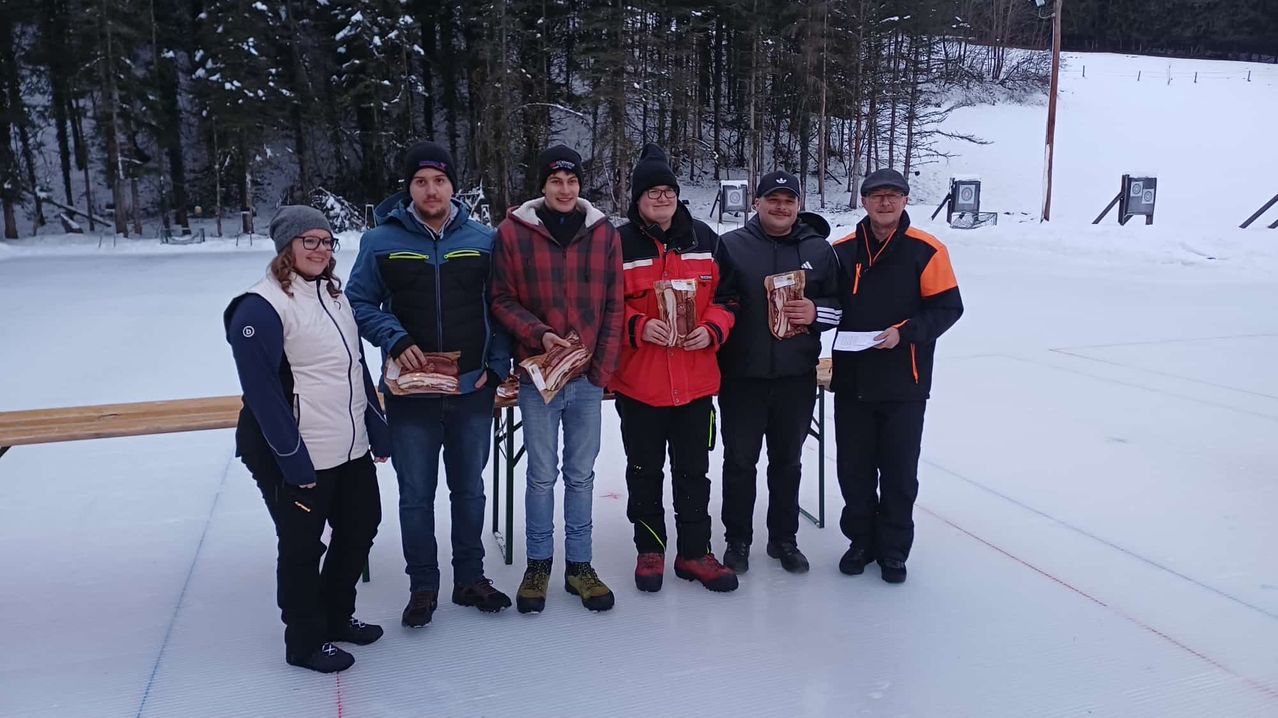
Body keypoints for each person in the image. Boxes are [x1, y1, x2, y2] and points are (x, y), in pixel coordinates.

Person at [346, 141, 513, 628]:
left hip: (470, 390)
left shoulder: (484, 238)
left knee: (469, 490)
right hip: (411, 393)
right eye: (421, 181)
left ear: (453, 186)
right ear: (409, 188)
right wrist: (393, 338)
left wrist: (497, 366)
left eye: (439, 180)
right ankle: (423, 585)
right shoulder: (380, 241)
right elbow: (358, 304)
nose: (431, 189)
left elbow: (500, 306)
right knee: (416, 494)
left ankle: (470, 578)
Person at [224, 205, 391, 674]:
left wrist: (376, 427)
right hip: (295, 451)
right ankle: (303, 639)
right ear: (287, 247)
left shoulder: (332, 295)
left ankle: (337, 616)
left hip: (349, 442)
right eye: (309, 241)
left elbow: (355, 366)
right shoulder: (261, 306)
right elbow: (262, 396)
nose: (320, 249)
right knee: (301, 546)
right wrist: (293, 462)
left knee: (361, 526)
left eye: (326, 241)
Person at [490, 144, 623, 613]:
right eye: (555, 181)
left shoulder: (603, 233)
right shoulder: (514, 233)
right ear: (542, 185)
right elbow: (501, 299)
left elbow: (614, 304)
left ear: (580, 185)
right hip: (538, 375)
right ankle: (539, 563)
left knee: (581, 476)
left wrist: (603, 368)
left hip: (586, 378)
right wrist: (539, 334)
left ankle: (580, 566)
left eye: (571, 181)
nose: (564, 190)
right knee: (542, 475)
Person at [611, 144, 738, 593]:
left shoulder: (706, 240)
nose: (661, 198)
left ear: (677, 195)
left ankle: (694, 552)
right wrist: (638, 326)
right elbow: (602, 308)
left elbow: (729, 300)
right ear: (637, 198)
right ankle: (650, 549)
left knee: (694, 471)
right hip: (640, 384)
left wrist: (714, 329)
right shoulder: (617, 244)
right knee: (643, 471)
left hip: (696, 384)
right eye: (652, 192)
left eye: (668, 190)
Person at [830, 168, 963, 584]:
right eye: (876, 196)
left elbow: (946, 309)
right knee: (854, 468)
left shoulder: (927, 249)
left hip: (904, 380)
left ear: (905, 201)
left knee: (899, 471)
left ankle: (893, 549)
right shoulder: (841, 250)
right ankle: (860, 541)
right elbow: (826, 306)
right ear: (864, 201)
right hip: (852, 379)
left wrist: (904, 335)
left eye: (894, 196)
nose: (885, 203)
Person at [714, 170, 842, 574]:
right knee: (739, 461)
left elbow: (840, 306)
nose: (781, 206)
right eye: (773, 199)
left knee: (787, 462)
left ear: (798, 206)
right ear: (756, 203)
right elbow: (717, 302)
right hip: (742, 376)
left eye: (789, 200)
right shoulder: (731, 246)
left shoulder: (819, 250)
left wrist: (815, 312)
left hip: (795, 376)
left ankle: (783, 539)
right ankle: (737, 539)